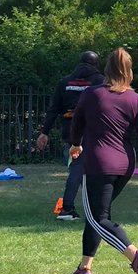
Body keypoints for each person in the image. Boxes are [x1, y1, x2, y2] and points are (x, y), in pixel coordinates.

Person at [68, 47, 138, 274]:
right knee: (99, 215)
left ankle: (136, 257)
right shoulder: (136, 99)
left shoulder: (92, 94)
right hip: (125, 164)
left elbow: (77, 123)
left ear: (106, 69)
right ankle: (85, 267)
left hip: (99, 163)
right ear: (129, 71)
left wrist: (75, 144)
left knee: (97, 218)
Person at [37, 51, 104, 221]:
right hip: (92, 131)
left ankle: (92, 206)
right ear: (96, 64)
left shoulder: (65, 82)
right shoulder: (100, 81)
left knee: (80, 169)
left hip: (71, 131)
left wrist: (44, 132)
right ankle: (67, 208)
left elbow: (53, 109)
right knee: (81, 169)